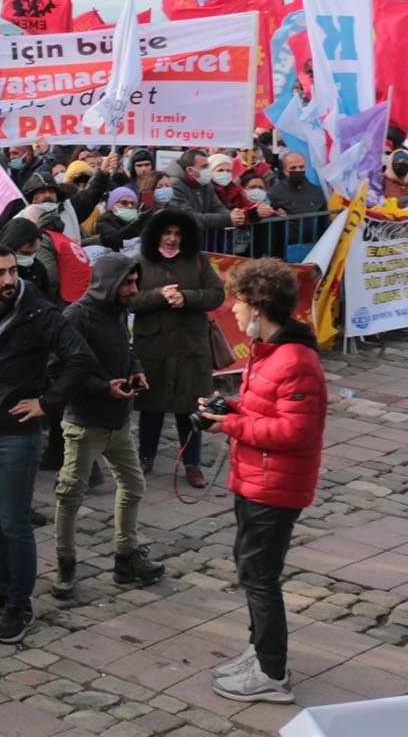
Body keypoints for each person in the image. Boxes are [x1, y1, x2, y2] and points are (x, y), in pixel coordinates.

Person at [0, 245, 93, 646]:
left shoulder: (39, 312)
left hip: (16, 435)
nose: (9, 280)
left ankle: (19, 604)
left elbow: (79, 358)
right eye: (0, 273)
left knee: (14, 522)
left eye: (13, 271)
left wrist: (46, 403)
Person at [201, 260, 326, 704]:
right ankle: (260, 652)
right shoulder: (269, 351)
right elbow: (268, 411)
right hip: (256, 479)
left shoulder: (295, 359)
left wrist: (231, 426)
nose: (232, 310)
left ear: (259, 306)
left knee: (259, 575)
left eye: (238, 301)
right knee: (250, 568)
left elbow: (296, 431)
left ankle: (272, 673)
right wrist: (231, 409)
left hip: (275, 486)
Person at [52, 255, 163, 600]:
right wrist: (103, 387)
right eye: (126, 283)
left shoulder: (118, 309)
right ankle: (66, 566)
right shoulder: (77, 316)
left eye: (134, 282)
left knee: (133, 486)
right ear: (108, 283)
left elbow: (124, 349)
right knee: (70, 496)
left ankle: (126, 558)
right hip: (85, 423)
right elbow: (59, 369)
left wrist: (136, 367)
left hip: (119, 421)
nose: (133, 290)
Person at [131, 207, 225, 483]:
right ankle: (145, 457)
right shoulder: (141, 262)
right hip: (153, 347)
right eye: (167, 233)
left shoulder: (197, 261)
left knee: (190, 407)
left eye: (177, 234)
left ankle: (192, 464)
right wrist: (158, 296)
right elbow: (130, 300)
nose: (172, 239)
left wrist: (188, 298)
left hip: (189, 346)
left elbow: (216, 295)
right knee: (152, 408)